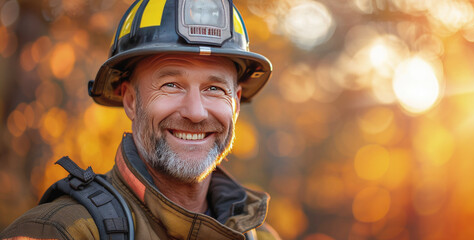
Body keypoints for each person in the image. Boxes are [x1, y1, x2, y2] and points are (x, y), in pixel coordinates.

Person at [0, 0, 279, 239]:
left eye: (214, 89)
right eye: (171, 84)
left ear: (236, 102)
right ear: (130, 101)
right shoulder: (59, 231)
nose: (196, 112)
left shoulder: (260, 235)